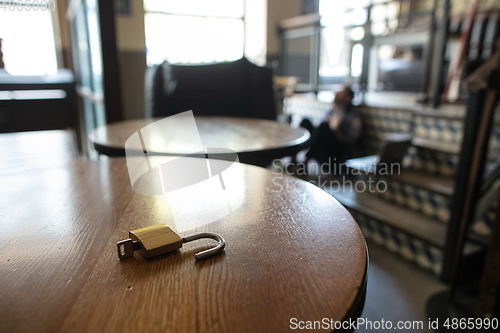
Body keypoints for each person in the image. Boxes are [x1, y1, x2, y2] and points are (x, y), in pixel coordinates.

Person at [299, 87, 362, 166]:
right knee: (305, 122)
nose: (338, 94)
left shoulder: (352, 115)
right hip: (323, 143)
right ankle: (294, 158)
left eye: (342, 93)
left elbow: (351, 140)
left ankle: (305, 160)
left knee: (323, 127)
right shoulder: (335, 108)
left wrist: (337, 130)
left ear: (349, 98)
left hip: (338, 150)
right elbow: (322, 123)